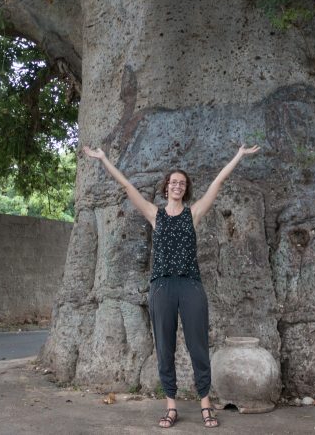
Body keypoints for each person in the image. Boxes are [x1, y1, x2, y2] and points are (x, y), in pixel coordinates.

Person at [82, 143, 260, 429]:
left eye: (182, 183)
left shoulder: (195, 213)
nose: (177, 185)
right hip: (162, 287)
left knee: (198, 345)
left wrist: (238, 155)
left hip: (190, 285)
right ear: (166, 187)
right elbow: (127, 185)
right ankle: (171, 406)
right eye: (173, 182)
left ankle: (205, 404)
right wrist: (103, 158)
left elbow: (218, 181)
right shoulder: (155, 215)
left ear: (185, 190)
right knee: (164, 347)